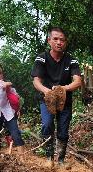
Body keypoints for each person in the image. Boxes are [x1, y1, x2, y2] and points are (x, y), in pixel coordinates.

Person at [31, 27, 82, 164]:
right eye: (55, 39)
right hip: (47, 99)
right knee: (47, 125)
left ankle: (60, 160)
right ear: (49, 41)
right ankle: (49, 157)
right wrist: (47, 91)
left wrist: (62, 88)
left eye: (62, 40)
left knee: (63, 130)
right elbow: (36, 81)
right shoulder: (42, 58)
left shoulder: (71, 60)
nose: (59, 42)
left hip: (65, 99)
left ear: (65, 42)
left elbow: (77, 81)